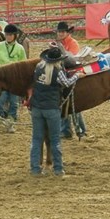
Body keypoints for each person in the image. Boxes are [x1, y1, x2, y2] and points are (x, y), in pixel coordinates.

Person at [29, 47, 86, 176]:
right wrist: (77, 75)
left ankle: (35, 168)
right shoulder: (57, 71)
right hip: (51, 108)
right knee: (55, 139)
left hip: (37, 108)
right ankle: (58, 169)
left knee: (37, 139)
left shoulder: (38, 67)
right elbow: (67, 83)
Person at [0, 23, 27, 133]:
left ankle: (11, 124)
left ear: (15, 36)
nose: (8, 37)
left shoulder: (20, 48)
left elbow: (23, 63)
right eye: (7, 35)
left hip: (14, 81)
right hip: (2, 79)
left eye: (10, 35)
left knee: (14, 103)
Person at [55, 21, 86, 139]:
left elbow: (72, 60)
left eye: (63, 32)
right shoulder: (58, 43)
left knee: (73, 106)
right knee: (64, 104)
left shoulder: (73, 43)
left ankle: (80, 129)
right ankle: (67, 130)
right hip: (64, 74)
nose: (60, 33)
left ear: (67, 33)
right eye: (59, 32)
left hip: (71, 73)